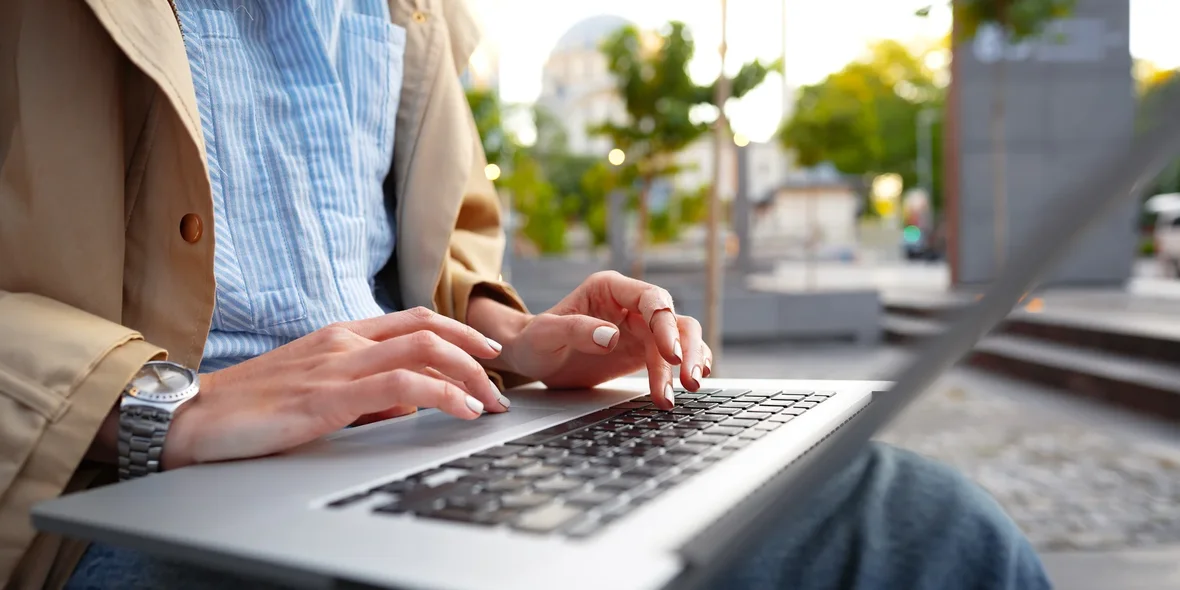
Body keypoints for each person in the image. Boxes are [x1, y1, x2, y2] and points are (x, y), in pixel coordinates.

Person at [0, 1, 1050, 589]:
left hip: (414, 442)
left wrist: (508, 335)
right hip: (104, 492)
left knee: (926, 532)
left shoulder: (415, 13)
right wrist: (152, 403)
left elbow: (413, 254)